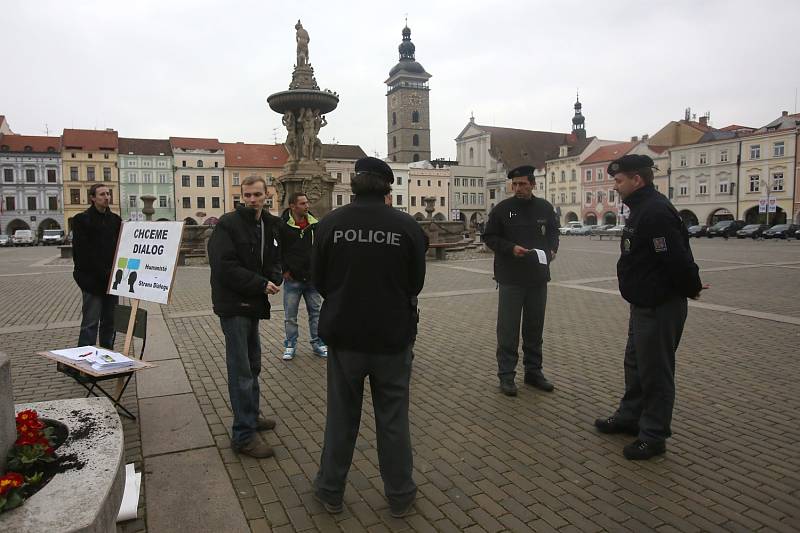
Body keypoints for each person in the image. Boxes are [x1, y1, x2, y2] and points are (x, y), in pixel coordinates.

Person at [312, 157, 427, 518]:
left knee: (341, 418)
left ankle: (331, 491)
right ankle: (400, 495)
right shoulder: (407, 227)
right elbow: (416, 284)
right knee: (393, 420)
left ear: (356, 183)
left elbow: (318, 280)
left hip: (345, 337)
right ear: (387, 187)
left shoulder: (330, 225)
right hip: (392, 338)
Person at [595, 154, 707, 460]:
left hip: (660, 305)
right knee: (636, 365)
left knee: (656, 372)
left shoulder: (655, 212)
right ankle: (630, 417)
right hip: (643, 304)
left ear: (637, 180)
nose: (615, 187)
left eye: (619, 181)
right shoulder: (642, 208)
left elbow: (675, 258)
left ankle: (654, 435)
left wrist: (691, 287)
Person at [207, 176, 283, 458]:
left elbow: (275, 257)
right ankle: (243, 436)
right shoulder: (228, 224)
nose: (252, 199)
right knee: (240, 372)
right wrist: (260, 284)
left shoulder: (268, 224)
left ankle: (252, 417)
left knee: (253, 365)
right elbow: (224, 266)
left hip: (253, 303)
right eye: (247, 195)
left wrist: (274, 278)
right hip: (234, 304)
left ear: (267, 195)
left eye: (257, 195)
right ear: (241, 196)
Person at [483, 165, 559, 397]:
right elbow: (489, 236)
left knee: (534, 328)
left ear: (533, 184)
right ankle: (506, 375)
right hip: (511, 278)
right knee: (508, 329)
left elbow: (554, 232)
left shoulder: (544, 208)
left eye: (522, 184)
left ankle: (533, 372)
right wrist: (510, 248)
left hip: (537, 277)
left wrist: (553, 249)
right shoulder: (503, 209)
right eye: (514, 185)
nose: (517, 188)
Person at [72, 183, 122, 348]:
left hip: (111, 281)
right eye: (102, 194)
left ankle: (108, 354)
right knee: (90, 324)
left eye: (108, 194)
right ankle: (84, 361)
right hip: (91, 281)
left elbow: (121, 247)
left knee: (110, 322)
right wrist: (101, 272)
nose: (106, 197)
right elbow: (82, 253)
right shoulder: (81, 220)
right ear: (92, 198)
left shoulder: (115, 220)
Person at [279, 191, 327, 360]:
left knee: (316, 313)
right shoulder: (282, 225)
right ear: (292, 206)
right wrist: (284, 270)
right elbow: (278, 250)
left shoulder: (314, 224)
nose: (307, 206)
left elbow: (321, 249)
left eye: (307, 203)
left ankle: (318, 343)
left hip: (312, 278)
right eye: (302, 203)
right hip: (292, 279)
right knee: (290, 316)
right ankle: (290, 345)